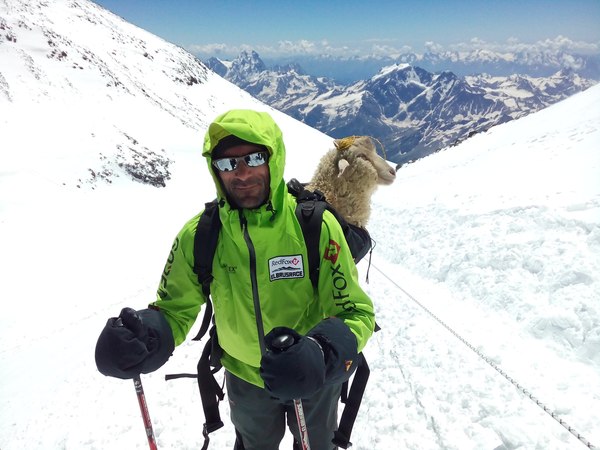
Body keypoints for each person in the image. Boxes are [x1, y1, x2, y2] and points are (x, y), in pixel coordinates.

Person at [95, 109, 375, 450]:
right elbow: (174, 307)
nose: (241, 173)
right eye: (227, 164)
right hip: (245, 379)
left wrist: (320, 353)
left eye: (254, 158)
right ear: (216, 171)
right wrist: (146, 335)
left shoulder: (314, 226)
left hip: (312, 376)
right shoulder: (201, 234)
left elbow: (355, 312)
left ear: (273, 159)